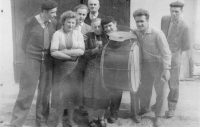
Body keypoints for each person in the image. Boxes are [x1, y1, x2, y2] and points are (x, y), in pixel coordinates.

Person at [9, 1, 58, 127]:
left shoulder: (54, 23)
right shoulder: (30, 22)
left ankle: (41, 121)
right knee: (26, 92)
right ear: (44, 12)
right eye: (53, 12)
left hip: (48, 62)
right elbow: (23, 43)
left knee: (45, 92)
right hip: (32, 60)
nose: (55, 15)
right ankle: (16, 122)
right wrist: (32, 55)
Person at [133, 9, 171, 126]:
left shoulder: (157, 33)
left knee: (160, 91)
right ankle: (145, 108)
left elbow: (166, 53)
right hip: (144, 65)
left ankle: (158, 115)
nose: (139, 24)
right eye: (137, 21)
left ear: (147, 20)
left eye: (142, 21)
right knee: (145, 89)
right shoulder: (135, 32)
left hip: (158, 65)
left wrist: (167, 70)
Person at [101, 16, 141, 123]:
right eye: (106, 27)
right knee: (115, 89)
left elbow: (135, 48)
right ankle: (113, 114)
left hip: (129, 64)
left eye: (110, 25)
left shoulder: (127, 34)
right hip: (115, 67)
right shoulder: (105, 37)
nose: (108, 29)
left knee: (134, 88)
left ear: (115, 24)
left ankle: (135, 113)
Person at [50, 11, 84, 127]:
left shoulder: (78, 34)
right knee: (61, 95)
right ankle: (59, 122)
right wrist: (70, 56)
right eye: (68, 22)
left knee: (72, 96)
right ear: (63, 22)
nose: (70, 25)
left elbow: (81, 51)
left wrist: (63, 52)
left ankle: (70, 120)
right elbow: (53, 51)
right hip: (61, 68)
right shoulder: (57, 34)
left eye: (73, 22)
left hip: (74, 69)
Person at [161, 1, 190, 118]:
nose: (174, 14)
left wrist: (174, 55)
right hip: (161, 57)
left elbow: (186, 46)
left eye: (176, 11)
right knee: (159, 82)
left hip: (174, 59)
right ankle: (158, 104)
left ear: (181, 11)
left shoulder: (185, 27)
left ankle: (171, 108)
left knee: (173, 85)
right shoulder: (164, 19)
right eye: (172, 11)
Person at [83, 18, 110, 127]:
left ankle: (101, 117)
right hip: (91, 68)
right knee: (90, 93)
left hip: (104, 68)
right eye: (95, 27)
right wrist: (93, 50)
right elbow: (83, 53)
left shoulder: (107, 36)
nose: (97, 29)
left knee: (104, 92)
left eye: (99, 26)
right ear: (92, 28)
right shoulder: (88, 36)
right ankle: (90, 119)